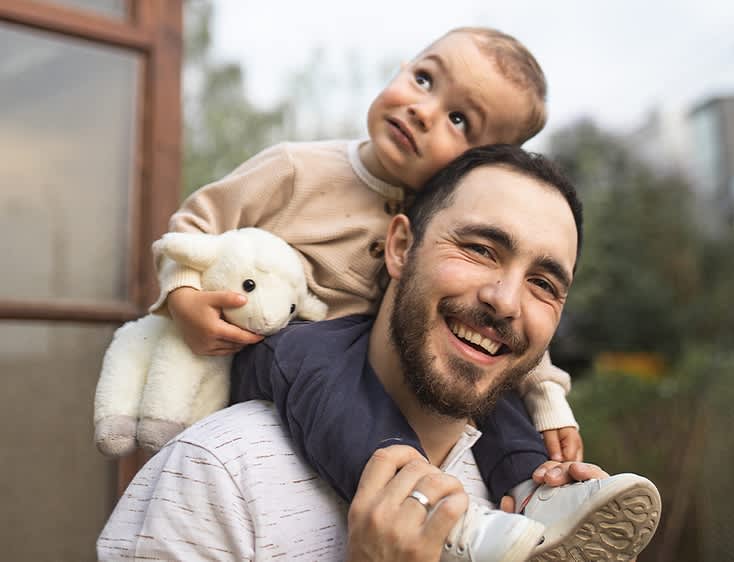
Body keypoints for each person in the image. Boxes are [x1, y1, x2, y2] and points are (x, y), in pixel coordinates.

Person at [99, 146, 661, 561]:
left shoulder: (531, 496)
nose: (506, 301)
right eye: (480, 249)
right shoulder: (215, 475)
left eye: (544, 283)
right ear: (399, 247)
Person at [151, 26, 583, 471]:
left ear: (479, 167)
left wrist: (548, 401)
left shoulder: (446, 223)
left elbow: (510, 321)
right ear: (403, 69)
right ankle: (399, 485)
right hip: (281, 349)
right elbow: (196, 224)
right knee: (318, 362)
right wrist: (185, 297)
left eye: (459, 120)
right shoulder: (297, 169)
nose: (422, 111)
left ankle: (533, 485)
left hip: (377, 365)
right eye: (424, 80)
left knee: (481, 368)